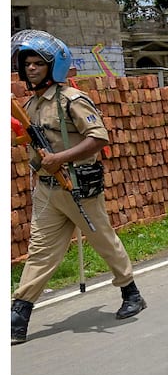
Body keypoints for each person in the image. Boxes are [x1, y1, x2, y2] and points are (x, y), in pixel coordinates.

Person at [11, 30, 147, 345]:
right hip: (46, 189)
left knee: (103, 240)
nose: (31, 69)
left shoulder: (72, 99)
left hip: (77, 185)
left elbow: (99, 138)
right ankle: (20, 313)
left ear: (53, 66)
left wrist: (60, 157)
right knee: (40, 252)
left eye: (38, 63)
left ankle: (131, 292)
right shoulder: (29, 105)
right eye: (27, 63)